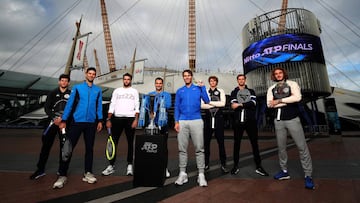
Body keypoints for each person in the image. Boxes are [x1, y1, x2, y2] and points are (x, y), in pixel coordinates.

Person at [53, 67, 103, 189]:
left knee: (89, 149)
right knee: (68, 147)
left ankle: (88, 173)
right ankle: (62, 175)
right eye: (89, 73)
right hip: (77, 121)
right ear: (86, 74)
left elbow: (99, 107)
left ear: (95, 76)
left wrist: (100, 120)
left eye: (93, 74)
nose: (91, 75)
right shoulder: (77, 88)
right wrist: (64, 120)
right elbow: (69, 105)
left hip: (91, 123)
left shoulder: (98, 90)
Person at [266, 67, 315, 189]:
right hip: (278, 121)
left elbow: (297, 98)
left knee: (302, 146)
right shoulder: (271, 88)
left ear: (284, 73)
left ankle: (308, 175)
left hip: (293, 119)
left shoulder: (292, 84)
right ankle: (284, 171)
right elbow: (269, 104)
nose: (278, 75)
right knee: (281, 148)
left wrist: (279, 101)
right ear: (274, 76)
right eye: (276, 74)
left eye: (280, 73)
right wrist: (287, 100)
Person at [29, 74, 71, 180]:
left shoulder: (72, 94)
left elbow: (72, 109)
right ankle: (40, 170)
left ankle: (62, 171)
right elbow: (47, 108)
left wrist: (64, 120)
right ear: (59, 82)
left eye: (66, 81)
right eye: (62, 80)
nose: (64, 82)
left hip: (64, 124)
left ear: (68, 83)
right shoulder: (52, 93)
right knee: (45, 147)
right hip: (52, 123)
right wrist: (54, 118)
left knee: (64, 148)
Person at [174, 69, 210, 187]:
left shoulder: (198, 88)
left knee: (199, 148)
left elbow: (207, 100)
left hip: (196, 120)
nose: (187, 77)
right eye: (185, 76)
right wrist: (176, 122)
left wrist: (203, 87)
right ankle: (182, 173)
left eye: (189, 75)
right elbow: (177, 107)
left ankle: (201, 175)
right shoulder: (180, 91)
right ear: (183, 77)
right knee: (182, 149)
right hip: (183, 121)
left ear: (191, 76)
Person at [229, 74, 268, 176]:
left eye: (243, 79)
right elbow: (233, 105)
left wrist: (240, 104)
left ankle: (259, 166)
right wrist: (245, 103)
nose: (241, 81)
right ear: (237, 80)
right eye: (239, 79)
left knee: (254, 144)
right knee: (236, 144)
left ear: (245, 80)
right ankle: (235, 166)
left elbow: (253, 103)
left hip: (250, 121)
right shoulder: (234, 92)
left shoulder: (251, 91)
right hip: (238, 121)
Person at [102, 72, 139, 176]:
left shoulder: (134, 91)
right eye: (125, 79)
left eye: (128, 79)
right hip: (117, 119)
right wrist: (108, 119)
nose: (126, 81)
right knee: (114, 142)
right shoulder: (117, 91)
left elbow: (137, 105)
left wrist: (136, 119)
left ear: (130, 80)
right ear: (123, 80)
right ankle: (111, 165)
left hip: (130, 119)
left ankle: (130, 165)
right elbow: (112, 105)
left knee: (130, 142)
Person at [201, 76, 228, 173]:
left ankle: (223, 164)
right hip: (208, 120)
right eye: (211, 81)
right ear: (209, 82)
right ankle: (206, 163)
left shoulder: (221, 91)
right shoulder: (206, 91)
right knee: (206, 143)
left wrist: (209, 102)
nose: (212, 82)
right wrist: (215, 103)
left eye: (214, 81)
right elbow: (202, 105)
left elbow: (223, 104)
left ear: (216, 82)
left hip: (218, 120)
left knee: (221, 143)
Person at [147, 77, 172, 178]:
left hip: (163, 123)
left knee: (163, 147)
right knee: (152, 146)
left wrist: (157, 105)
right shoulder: (150, 94)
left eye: (160, 83)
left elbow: (168, 105)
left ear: (162, 84)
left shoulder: (167, 95)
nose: (158, 85)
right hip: (152, 123)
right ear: (155, 84)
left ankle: (164, 168)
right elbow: (147, 106)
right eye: (157, 83)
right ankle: (154, 167)